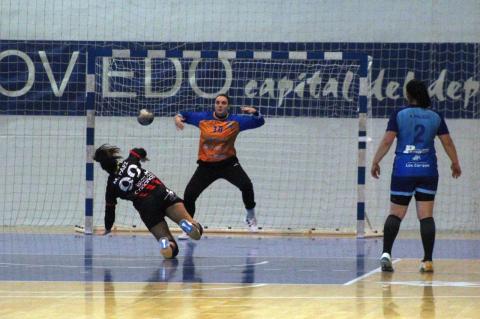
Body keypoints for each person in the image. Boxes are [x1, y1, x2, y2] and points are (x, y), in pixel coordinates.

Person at [371, 79, 461, 273]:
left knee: (396, 214)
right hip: (427, 170)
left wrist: (375, 161)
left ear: (408, 95)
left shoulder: (399, 114)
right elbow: (448, 142)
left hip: (404, 170)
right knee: (426, 216)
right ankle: (427, 261)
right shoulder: (435, 116)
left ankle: (386, 253)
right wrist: (455, 162)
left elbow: (387, 141)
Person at [174, 94, 265, 235]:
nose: (220, 105)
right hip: (206, 166)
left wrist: (256, 113)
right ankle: (189, 227)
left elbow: (259, 122)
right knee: (190, 194)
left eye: (223, 102)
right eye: (217, 102)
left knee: (246, 185)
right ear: (214, 105)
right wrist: (178, 118)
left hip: (228, 164)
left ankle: (250, 216)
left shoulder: (236, 121)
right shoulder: (203, 118)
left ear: (227, 106)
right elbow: (184, 114)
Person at [93, 144, 203, 259]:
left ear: (104, 168)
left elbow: (110, 209)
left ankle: (166, 243)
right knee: (193, 226)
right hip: (161, 193)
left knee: (170, 247)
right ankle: (189, 225)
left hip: (146, 207)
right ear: (114, 159)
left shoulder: (111, 186)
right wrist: (143, 156)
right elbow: (137, 151)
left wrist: (108, 228)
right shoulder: (130, 161)